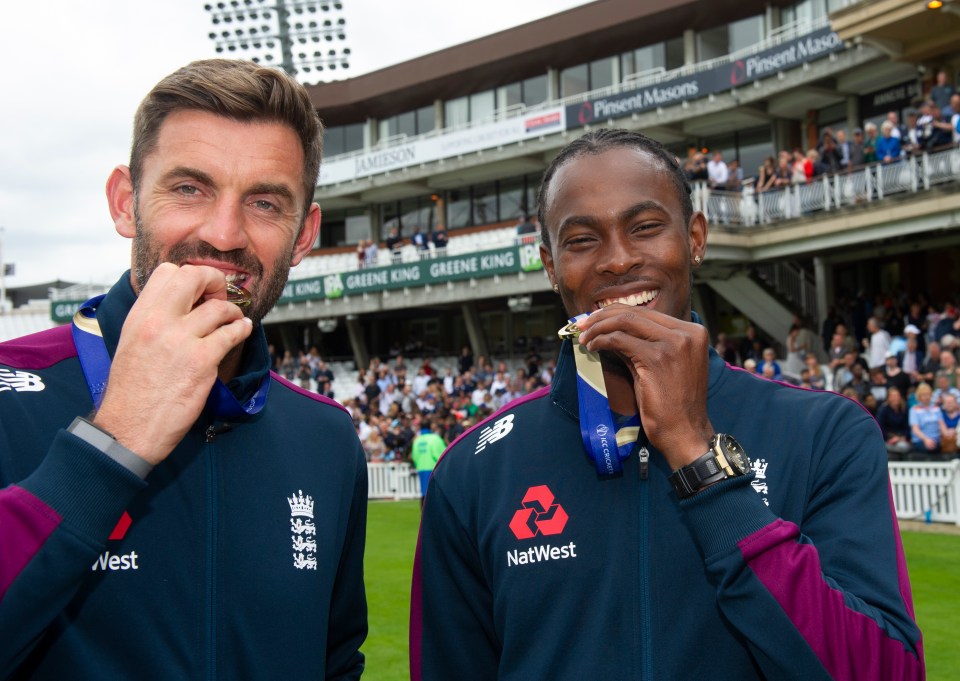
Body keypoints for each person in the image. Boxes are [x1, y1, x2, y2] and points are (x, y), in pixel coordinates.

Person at [410, 129, 923, 680]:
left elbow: (885, 672)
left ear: (695, 237)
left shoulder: (826, 433)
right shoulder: (473, 471)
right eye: (581, 240)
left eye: (645, 228)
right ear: (550, 265)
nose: (617, 260)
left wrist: (697, 455)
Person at [0, 60, 368, 679]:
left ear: (304, 235)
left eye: (264, 202)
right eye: (189, 188)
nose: (224, 234)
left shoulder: (327, 436)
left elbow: (335, 660)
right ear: (125, 203)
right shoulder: (9, 391)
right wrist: (114, 441)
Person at [410, 418, 446, 507]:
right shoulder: (435, 439)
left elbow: (414, 456)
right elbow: (442, 455)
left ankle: (424, 516)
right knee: (436, 493)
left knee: (424, 492)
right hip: (434, 468)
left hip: (421, 468)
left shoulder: (417, 441)